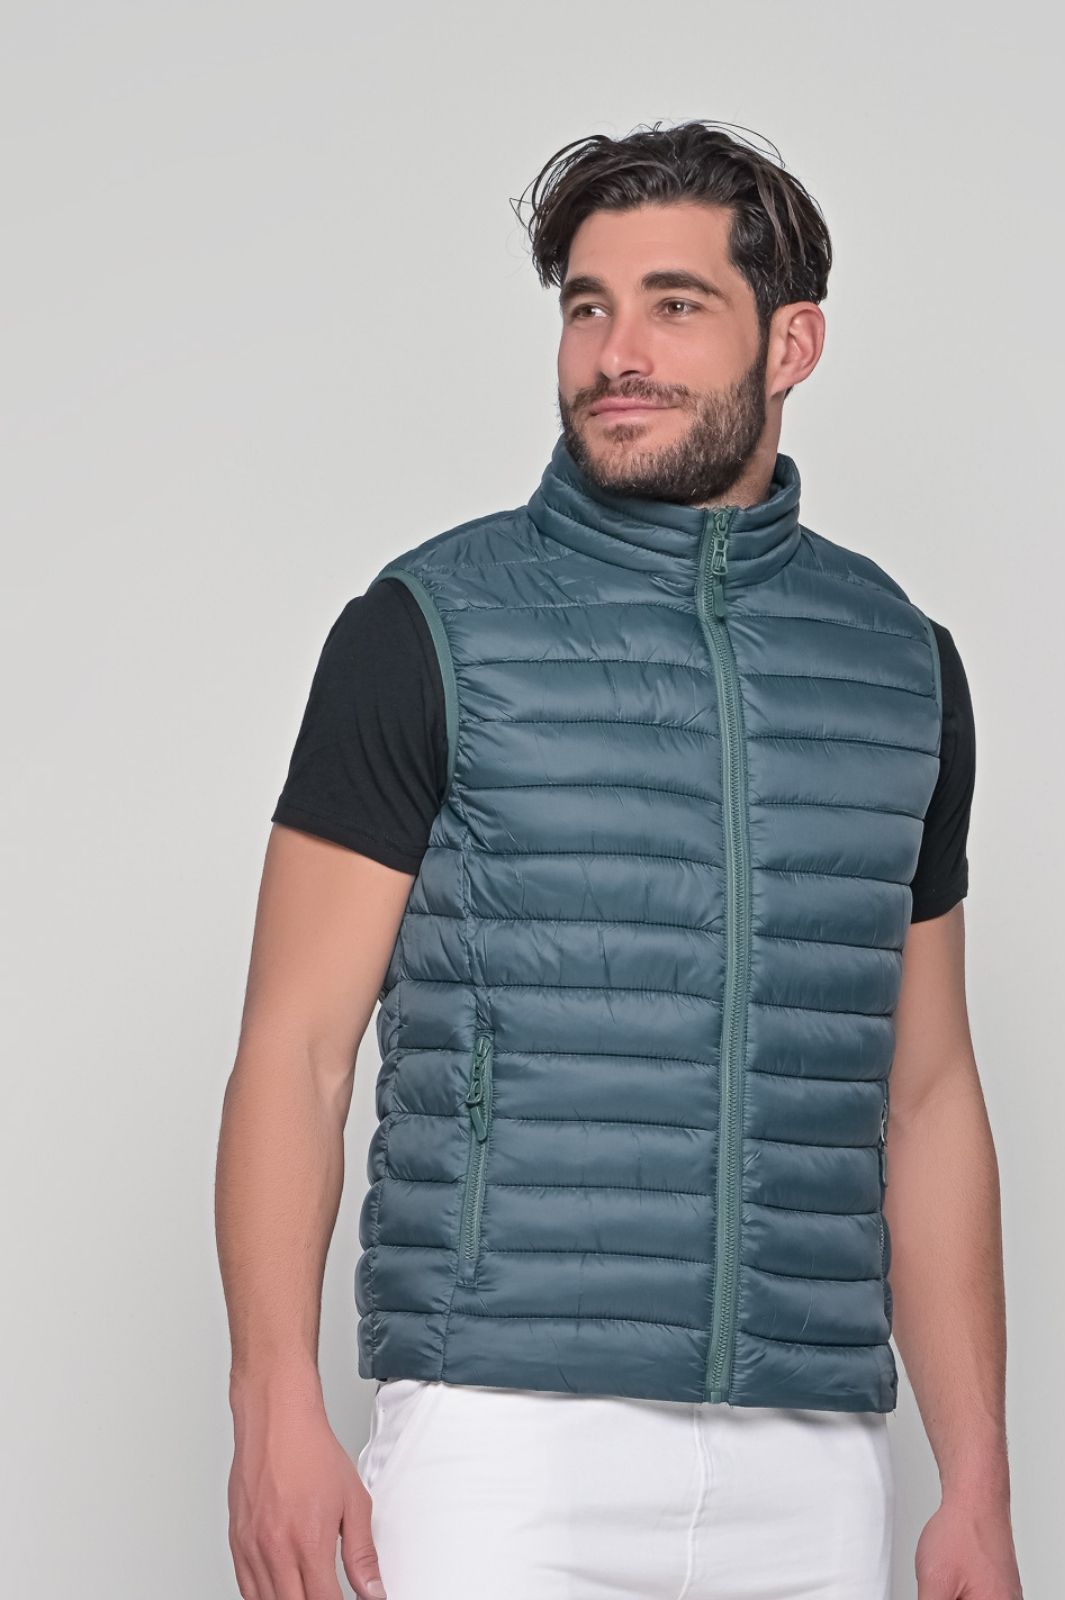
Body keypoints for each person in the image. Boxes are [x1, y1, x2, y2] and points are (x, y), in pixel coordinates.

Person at [217, 120, 1023, 1600]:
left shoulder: (902, 664)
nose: (616, 354)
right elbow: (299, 1048)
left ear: (793, 343)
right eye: (587, 307)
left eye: (675, 304)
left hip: (813, 1452)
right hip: (500, 1434)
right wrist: (272, 1404)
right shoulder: (426, 628)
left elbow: (926, 1093)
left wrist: (975, 1474)